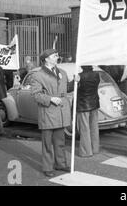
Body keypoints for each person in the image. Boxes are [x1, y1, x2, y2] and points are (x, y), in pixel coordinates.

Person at [30, 49, 76, 177]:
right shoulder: (38, 75)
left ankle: (61, 164)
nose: (57, 57)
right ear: (46, 59)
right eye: (54, 56)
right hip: (48, 112)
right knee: (47, 143)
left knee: (60, 141)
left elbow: (66, 89)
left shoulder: (63, 72)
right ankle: (47, 167)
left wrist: (75, 81)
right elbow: (35, 95)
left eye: (57, 55)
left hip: (61, 112)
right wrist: (50, 99)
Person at [76, 65, 100, 157]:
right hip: (94, 103)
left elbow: (74, 88)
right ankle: (95, 148)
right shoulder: (96, 75)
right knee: (94, 127)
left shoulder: (80, 76)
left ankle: (86, 151)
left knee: (84, 129)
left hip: (83, 104)